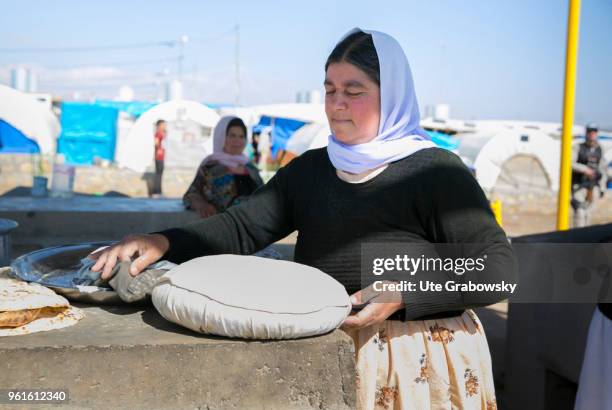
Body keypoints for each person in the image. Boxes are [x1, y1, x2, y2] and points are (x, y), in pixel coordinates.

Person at [91, 28, 517, 409]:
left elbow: (500, 269)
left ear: (392, 96)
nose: (337, 104)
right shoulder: (312, 170)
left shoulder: (435, 172)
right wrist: (163, 242)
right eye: (330, 89)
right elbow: (240, 227)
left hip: (413, 360)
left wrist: (406, 291)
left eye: (355, 91)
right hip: (326, 348)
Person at [183, 116, 264, 218]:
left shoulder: (250, 167)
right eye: (232, 135)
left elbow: (264, 195)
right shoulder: (210, 167)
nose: (237, 141)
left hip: (252, 226)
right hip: (222, 226)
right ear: (221, 137)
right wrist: (200, 204)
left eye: (241, 136)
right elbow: (191, 194)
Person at [571, 123, 609, 227]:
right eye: (590, 132)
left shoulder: (599, 149)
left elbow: (603, 169)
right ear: (586, 133)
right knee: (580, 212)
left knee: (588, 214)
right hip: (579, 185)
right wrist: (585, 170)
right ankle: (578, 238)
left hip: (593, 187)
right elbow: (569, 163)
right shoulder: (578, 147)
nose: (592, 134)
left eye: (594, 132)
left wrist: (602, 187)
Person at [152, 119, 167, 197]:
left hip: (162, 156)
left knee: (160, 174)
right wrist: (158, 149)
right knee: (158, 174)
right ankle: (156, 192)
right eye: (163, 125)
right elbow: (156, 143)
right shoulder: (158, 133)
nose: (164, 126)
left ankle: (159, 191)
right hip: (159, 156)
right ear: (159, 125)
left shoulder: (163, 133)